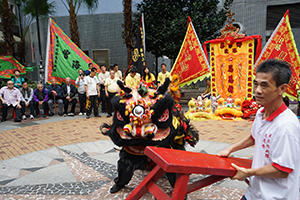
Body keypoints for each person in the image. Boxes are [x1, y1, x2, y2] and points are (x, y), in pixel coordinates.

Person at [217, 59, 300, 200]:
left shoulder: (286, 126)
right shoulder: (262, 112)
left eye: (264, 85)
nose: (257, 91)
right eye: (256, 84)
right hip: (254, 193)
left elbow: (282, 170)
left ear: (282, 89)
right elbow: (254, 136)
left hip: (276, 196)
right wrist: (230, 149)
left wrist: (248, 172)